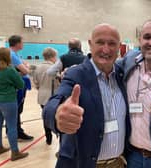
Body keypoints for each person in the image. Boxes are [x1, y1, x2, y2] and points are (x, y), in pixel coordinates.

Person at [43, 23, 130, 168]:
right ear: (90, 44)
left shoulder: (122, 74)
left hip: (119, 163)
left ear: (119, 47)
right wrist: (57, 114)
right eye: (100, 42)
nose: (106, 49)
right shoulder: (75, 74)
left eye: (112, 44)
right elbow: (52, 105)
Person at [120, 18, 151, 168]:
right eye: (147, 37)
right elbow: (104, 67)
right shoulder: (129, 61)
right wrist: (74, 70)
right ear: (139, 40)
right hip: (133, 156)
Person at [0, 47, 28, 161]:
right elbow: (21, 85)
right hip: (8, 101)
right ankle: (15, 152)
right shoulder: (10, 70)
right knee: (11, 126)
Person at [8, 35, 34, 141]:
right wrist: (26, 68)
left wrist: (26, 67)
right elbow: (26, 70)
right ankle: (17, 132)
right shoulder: (12, 54)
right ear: (17, 43)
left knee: (17, 109)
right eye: (22, 42)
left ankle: (14, 131)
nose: (23, 44)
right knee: (17, 109)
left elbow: (25, 65)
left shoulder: (15, 54)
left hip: (20, 85)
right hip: (18, 86)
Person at [33, 47, 60, 145]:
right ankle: (59, 137)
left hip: (42, 96)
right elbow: (59, 83)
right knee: (57, 117)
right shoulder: (54, 68)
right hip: (53, 97)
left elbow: (36, 83)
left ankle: (48, 138)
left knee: (45, 117)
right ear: (53, 56)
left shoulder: (38, 67)